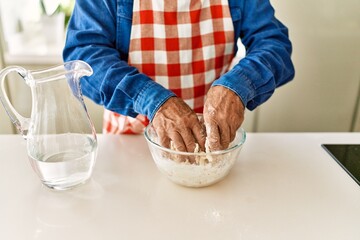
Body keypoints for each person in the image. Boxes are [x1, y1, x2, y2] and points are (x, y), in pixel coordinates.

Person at [63, 0, 295, 153]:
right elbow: (84, 55)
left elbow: (274, 44)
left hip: (211, 145)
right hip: (129, 143)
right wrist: (151, 99)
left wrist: (239, 86)